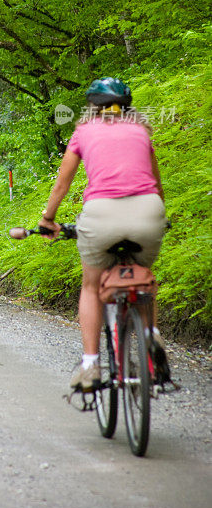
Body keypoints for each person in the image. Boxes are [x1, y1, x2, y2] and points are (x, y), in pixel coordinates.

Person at [38, 77, 168, 392]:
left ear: (92, 107)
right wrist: (160, 218)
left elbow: (62, 184)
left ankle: (91, 364)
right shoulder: (141, 131)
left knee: (91, 286)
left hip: (101, 216)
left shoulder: (83, 131)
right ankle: (151, 337)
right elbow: (156, 183)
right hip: (148, 212)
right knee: (144, 277)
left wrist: (48, 220)